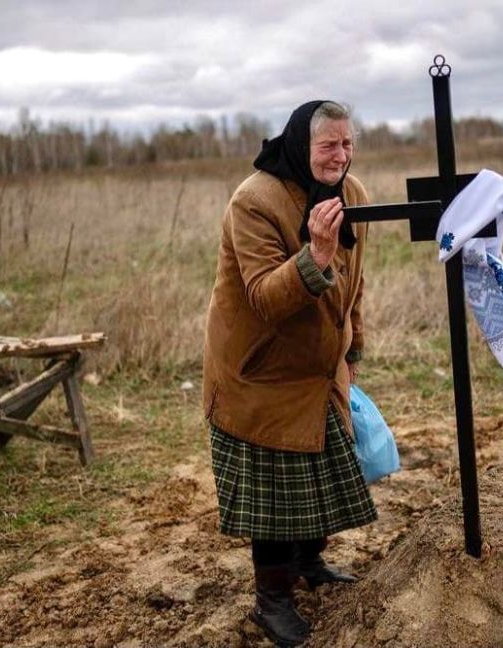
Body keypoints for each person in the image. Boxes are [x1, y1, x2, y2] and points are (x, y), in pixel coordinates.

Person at [202, 100, 376, 647]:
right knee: (276, 494)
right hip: (261, 372)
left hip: (320, 369)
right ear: (303, 145)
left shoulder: (355, 196)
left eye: (348, 144)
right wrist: (315, 256)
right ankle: (272, 600)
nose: (341, 156)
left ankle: (309, 563)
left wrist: (353, 349)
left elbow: (357, 284)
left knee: (321, 474)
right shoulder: (254, 201)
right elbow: (263, 298)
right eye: (329, 146)